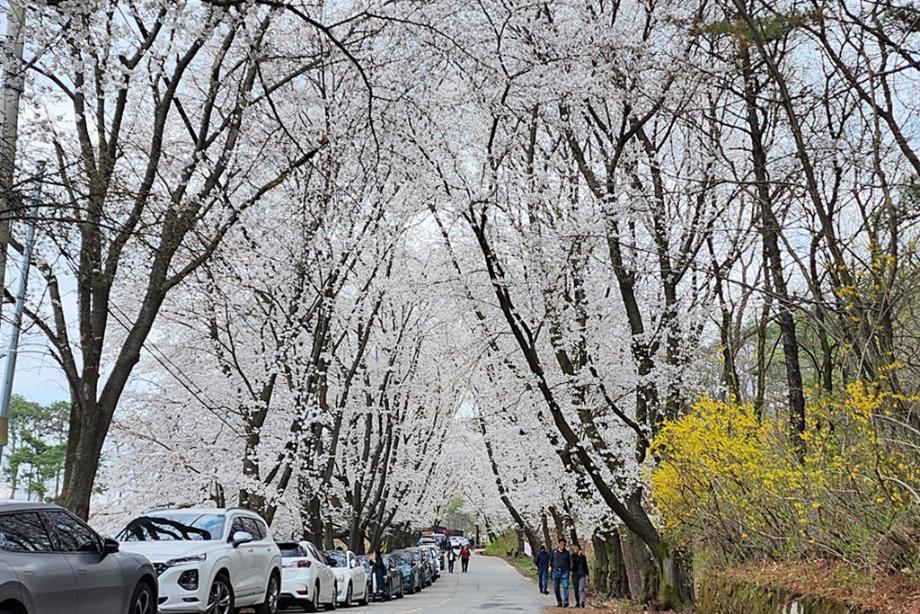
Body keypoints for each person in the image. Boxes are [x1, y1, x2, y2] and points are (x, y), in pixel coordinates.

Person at [550, 538, 571, 607]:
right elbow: (551, 560)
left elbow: (569, 563)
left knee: (565, 586)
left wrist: (568, 571)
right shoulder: (554, 552)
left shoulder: (567, 553)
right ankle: (559, 601)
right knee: (556, 588)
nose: (563, 546)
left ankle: (566, 601)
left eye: (564, 544)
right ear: (558, 544)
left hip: (564, 572)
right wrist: (550, 567)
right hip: (555, 571)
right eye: (561, 544)